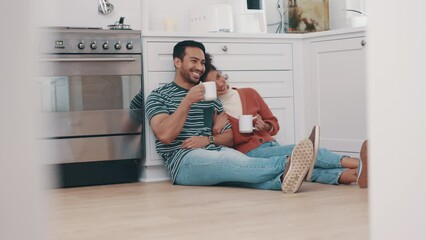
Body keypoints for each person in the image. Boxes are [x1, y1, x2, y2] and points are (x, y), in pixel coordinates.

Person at [144, 40, 315, 193]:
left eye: (202, 62)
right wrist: (187, 100)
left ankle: (281, 181)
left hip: (217, 150)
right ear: (177, 62)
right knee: (230, 162)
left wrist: (209, 139)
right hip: (183, 160)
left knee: (237, 171)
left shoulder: (209, 97)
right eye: (193, 61)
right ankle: (288, 163)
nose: (199, 67)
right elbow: (165, 135)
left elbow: (229, 139)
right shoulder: (158, 96)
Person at [200, 53, 368, 188]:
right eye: (212, 83)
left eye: (219, 77)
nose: (219, 83)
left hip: (272, 145)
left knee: (307, 169)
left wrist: (264, 125)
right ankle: (365, 164)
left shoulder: (249, 93)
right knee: (308, 151)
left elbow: (274, 125)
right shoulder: (213, 109)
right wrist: (216, 129)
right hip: (250, 154)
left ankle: (353, 176)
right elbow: (220, 147)